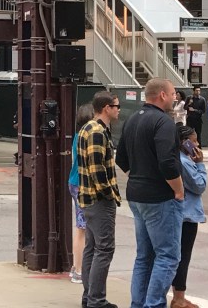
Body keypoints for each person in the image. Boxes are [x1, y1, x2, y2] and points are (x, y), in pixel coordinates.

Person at [116, 78, 184, 308]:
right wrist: (178, 189)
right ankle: (154, 304)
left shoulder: (132, 119)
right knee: (168, 256)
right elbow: (167, 162)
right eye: (173, 94)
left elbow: (120, 158)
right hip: (160, 197)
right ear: (162, 95)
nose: (175, 98)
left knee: (144, 256)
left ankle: (139, 303)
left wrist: (138, 175)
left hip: (136, 195)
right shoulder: (163, 122)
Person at [77, 92, 122, 308]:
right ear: (106, 108)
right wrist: (110, 194)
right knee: (104, 249)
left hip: (88, 198)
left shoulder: (87, 128)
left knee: (92, 247)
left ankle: (90, 297)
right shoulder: (97, 131)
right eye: (116, 106)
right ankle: (96, 299)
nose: (118, 109)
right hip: (98, 200)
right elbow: (97, 170)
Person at [170, 124, 207, 308]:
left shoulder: (178, 158)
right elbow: (199, 185)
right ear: (185, 143)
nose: (197, 143)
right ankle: (179, 297)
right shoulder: (185, 162)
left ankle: (178, 295)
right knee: (183, 256)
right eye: (193, 141)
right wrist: (200, 164)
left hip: (179, 212)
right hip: (187, 214)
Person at [68, 103, 95, 285]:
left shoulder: (78, 136)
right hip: (81, 184)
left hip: (75, 181)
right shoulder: (88, 136)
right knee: (82, 228)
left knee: (81, 227)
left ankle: (76, 267)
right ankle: (78, 269)